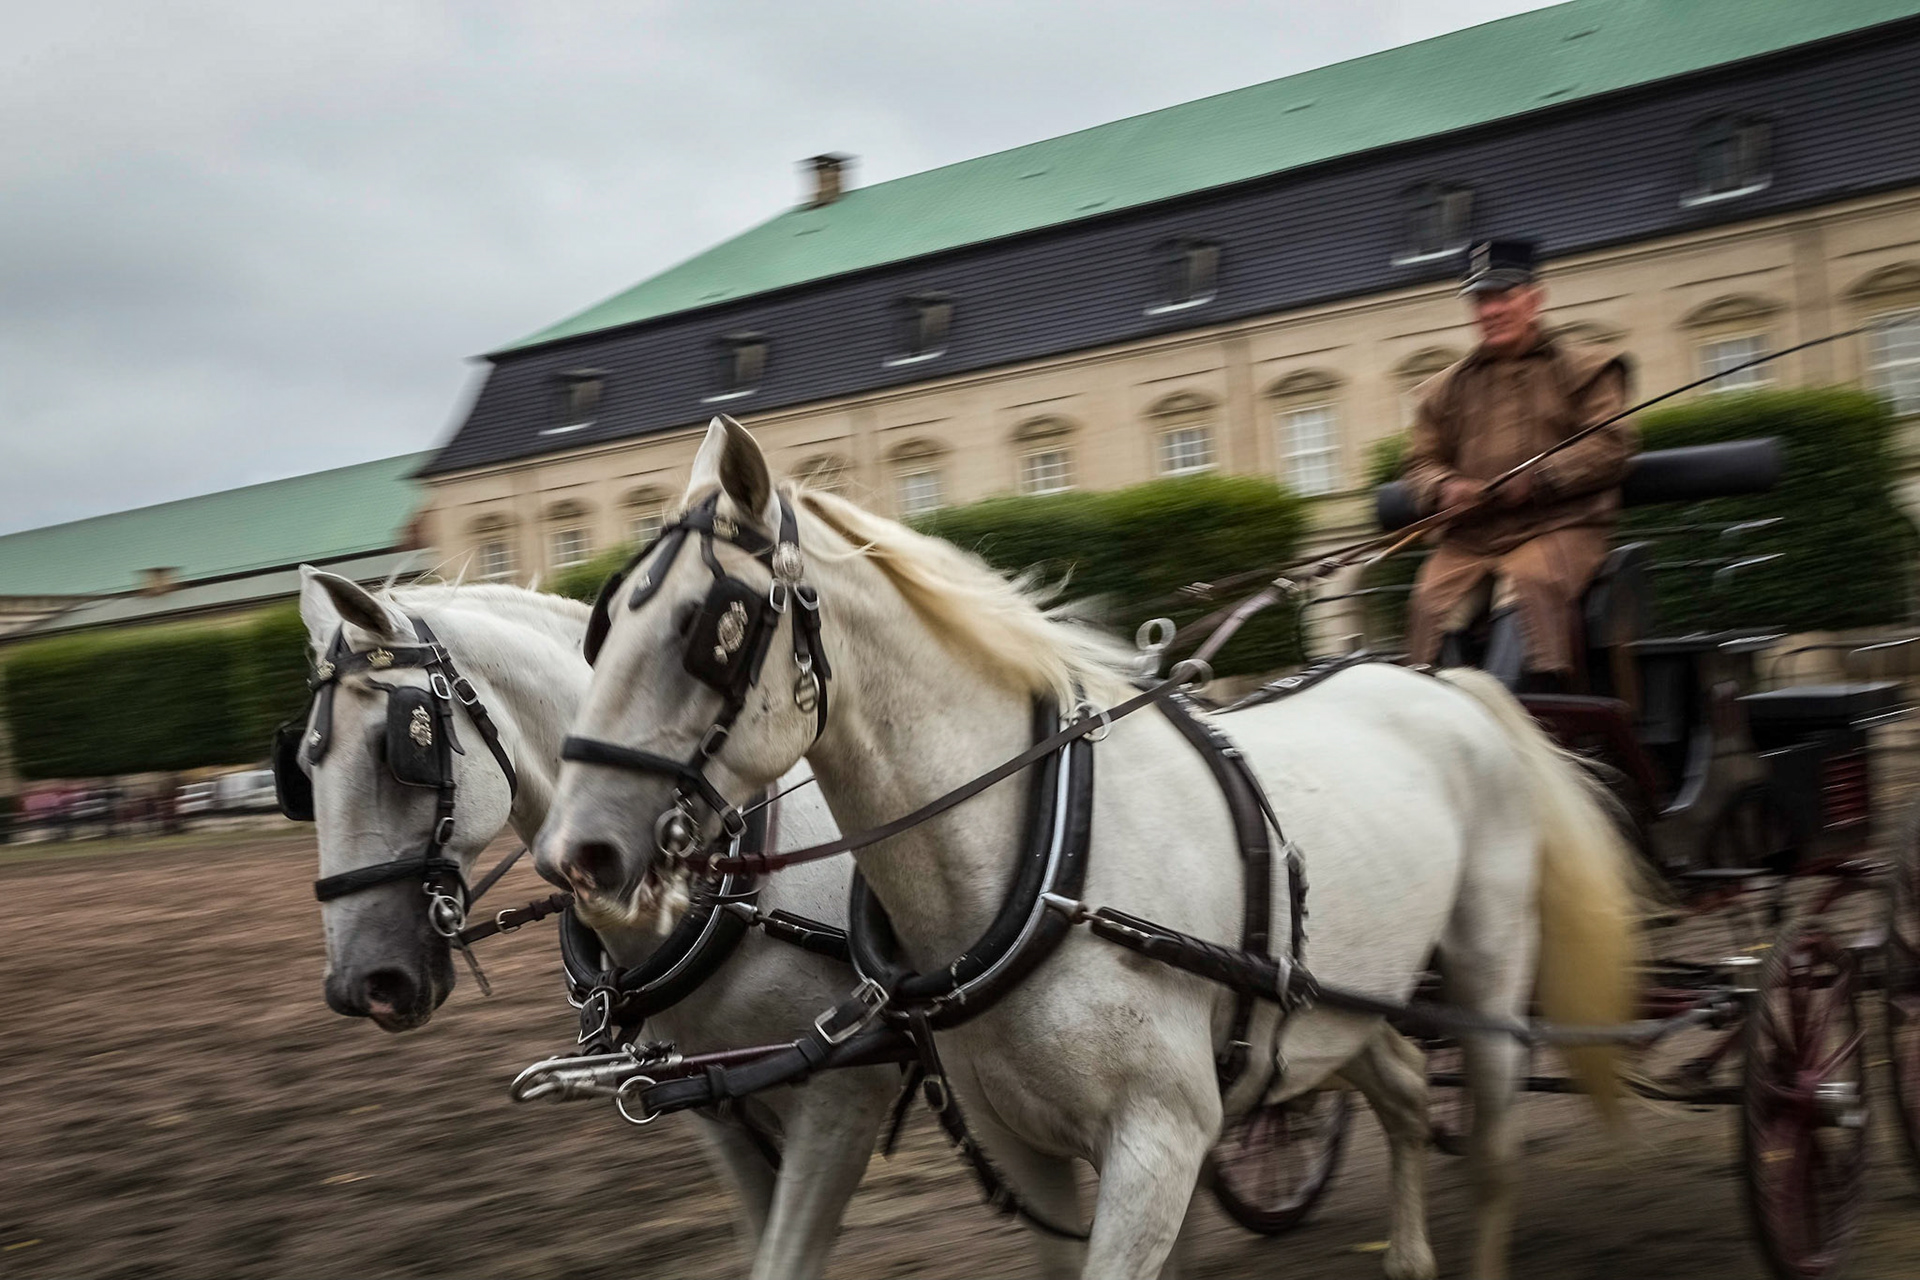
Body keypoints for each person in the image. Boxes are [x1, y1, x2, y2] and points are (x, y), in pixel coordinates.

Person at [1402, 238, 1636, 692]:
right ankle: (1446, 716)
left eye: (1503, 296)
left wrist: (1542, 478)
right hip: (1472, 538)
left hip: (1559, 528)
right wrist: (1445, 488)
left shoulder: (1587, 368)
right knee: (1431, 600)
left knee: (1526, 587)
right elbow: (1418, 463)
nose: (1490, 310)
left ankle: (1519, 713)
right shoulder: (1445, 389)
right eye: (1481, 299)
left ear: (1534, 299)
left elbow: (1611, 444)